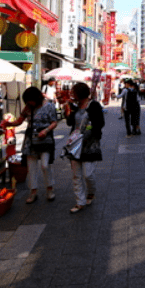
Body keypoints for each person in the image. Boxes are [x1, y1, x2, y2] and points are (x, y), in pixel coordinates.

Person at [2, 86, 57, 204]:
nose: (28, 103)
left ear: (37, 97)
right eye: (27, 101)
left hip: (45, 140)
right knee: (31, 167)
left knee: (45, 165)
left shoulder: (49, 106)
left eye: (30, 100)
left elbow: (54, 122)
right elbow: (20, 121)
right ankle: (33, 192)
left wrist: (46, 131)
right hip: (30, 141)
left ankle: (50, 189)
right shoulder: (28, 107)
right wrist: (9, 123)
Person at [62, 82, 104, 213]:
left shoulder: (94, 105)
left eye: (74, 93)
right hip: (75, 144)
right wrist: (67, 111)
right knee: (76, 175)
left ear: (80, 93)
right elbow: (70, 123)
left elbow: (100, 123)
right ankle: (79, 202)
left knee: (88, 174)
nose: (72, 95)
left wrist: (87, 130)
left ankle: (91, 192)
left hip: (89, 144)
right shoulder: (75, 107)